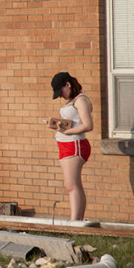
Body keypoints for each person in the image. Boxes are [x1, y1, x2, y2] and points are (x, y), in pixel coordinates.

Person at [49, 71, 93, 221]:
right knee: (71, 185)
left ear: (67, 85)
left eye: (61, 91)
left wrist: (67, 132)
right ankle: (76, 220)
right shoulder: (72, 101)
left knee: (72, 185)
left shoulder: (81, 100)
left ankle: (75, 221)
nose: (61, 96)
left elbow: (88, 125)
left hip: (74, 144)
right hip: (65, 145)